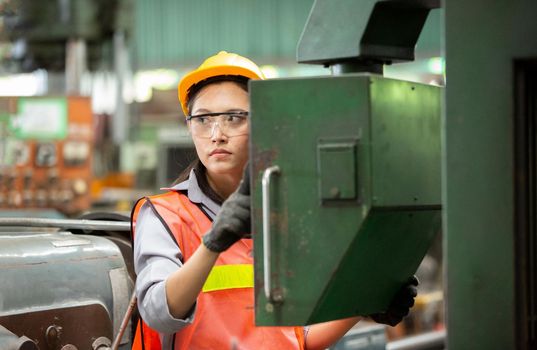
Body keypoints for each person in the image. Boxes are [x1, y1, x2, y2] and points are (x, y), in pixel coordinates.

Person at [131, 51, 418, 350]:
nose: (217, 134)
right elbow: (157, 313)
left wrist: (369, 303)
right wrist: (212, 244)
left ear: (264, 124)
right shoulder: (166, 216)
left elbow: (297, 338)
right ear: (190, 126)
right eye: (203, 119)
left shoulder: (285, 214)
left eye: (233, 118)